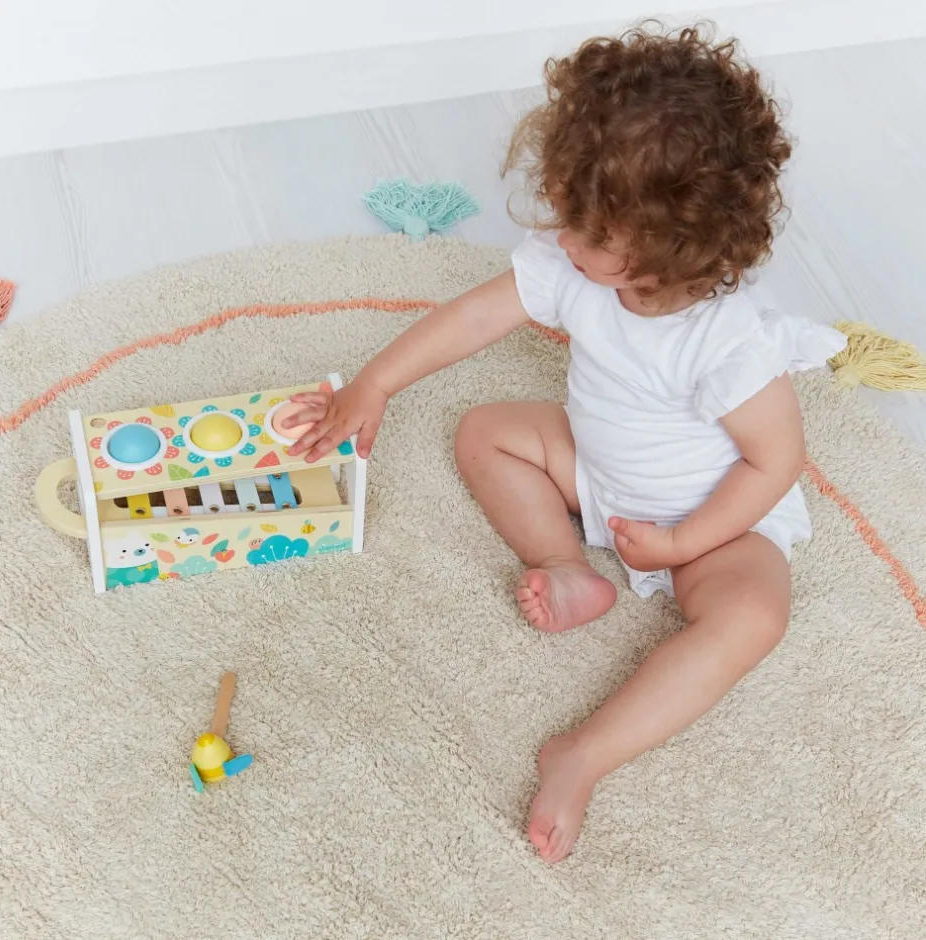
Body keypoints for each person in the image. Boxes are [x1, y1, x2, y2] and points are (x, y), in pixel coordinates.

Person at [282, 24, 846, 863]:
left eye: (589, 232)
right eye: (567, 217)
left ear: (669, 246)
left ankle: (583, 754)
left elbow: (774, 462)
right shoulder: (573, 264)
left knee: (754, 616)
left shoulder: (728, 345)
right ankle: (567, 564)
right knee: (484, 432)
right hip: (599, 473)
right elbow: (476, 316)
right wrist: (376, 383)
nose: (564, 240)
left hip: (714, 519)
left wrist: (683, 542)